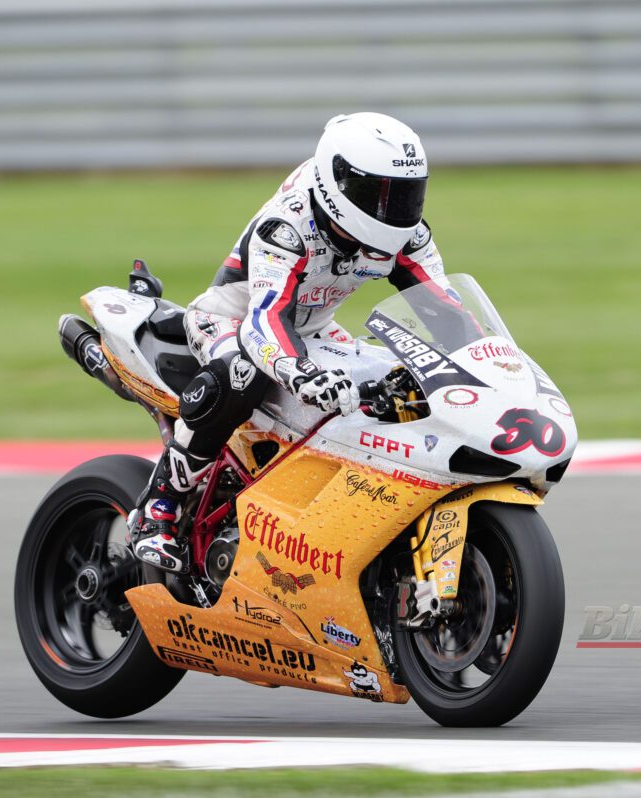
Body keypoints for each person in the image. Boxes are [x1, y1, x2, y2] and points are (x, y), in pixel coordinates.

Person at [131, 111, 456, 574]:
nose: (392, 210)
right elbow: (264, 323)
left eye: (403, 194)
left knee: (395, 387)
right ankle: (159, 506)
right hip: (233, 320)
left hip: (315, 328)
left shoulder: (408, 235)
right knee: (242, 376)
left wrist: (485, 366)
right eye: (376, 194)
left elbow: (447, 310)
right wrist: (301, 373)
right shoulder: (287, 225)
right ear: (337, 182)